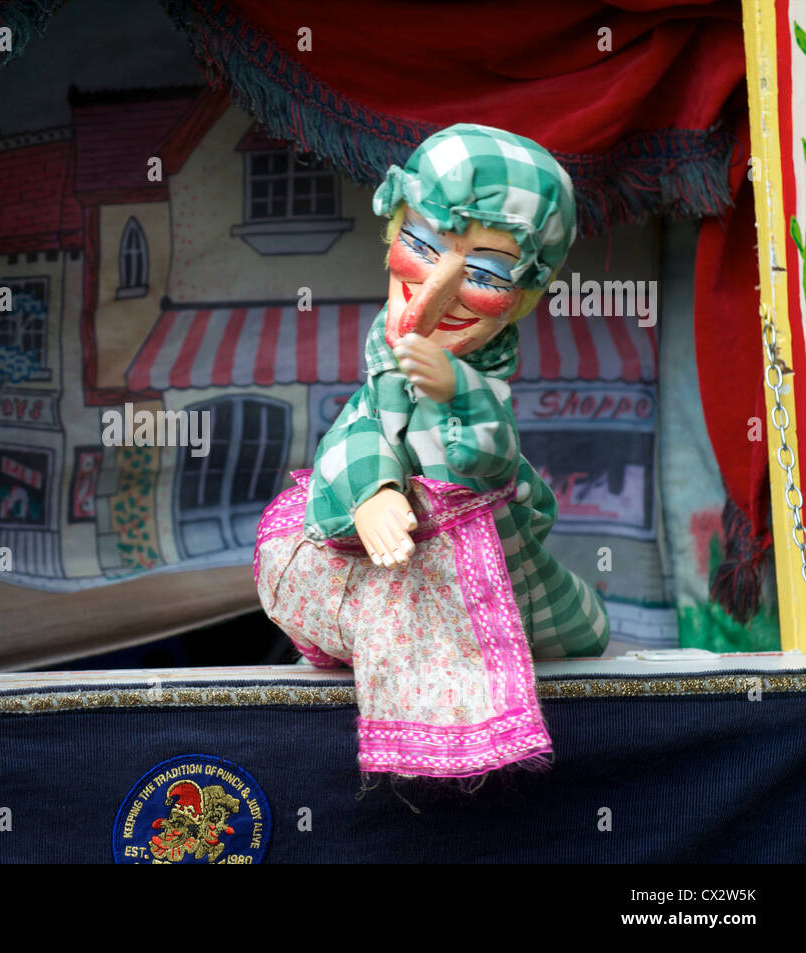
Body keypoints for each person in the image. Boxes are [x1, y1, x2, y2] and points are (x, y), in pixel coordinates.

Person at [255, 124, 609, 779]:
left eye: (484, 270)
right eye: (422, 242)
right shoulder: (385, 372)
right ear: (394, 235)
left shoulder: (480, 385)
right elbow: (359, 427)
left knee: (582, 635)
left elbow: (487, 457)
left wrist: (458, 392)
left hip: (493, 564)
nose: (438, 289)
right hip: (388, 566)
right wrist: (372, 494)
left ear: (522, 296)